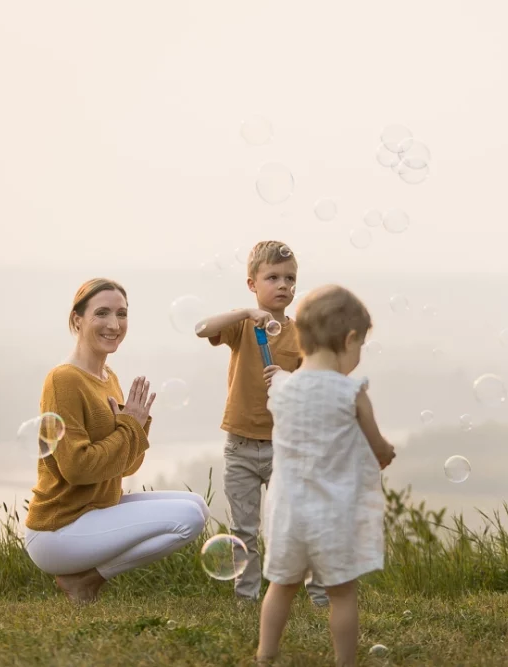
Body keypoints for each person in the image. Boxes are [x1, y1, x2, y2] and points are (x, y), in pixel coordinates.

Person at [24, 278, 210, 604]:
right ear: (77, 320)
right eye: (102, 313)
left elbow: (126, 465)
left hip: (96, 511)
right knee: (189, 520)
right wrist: (128, 426)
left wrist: (136, 425)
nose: (114, 324)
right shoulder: (64, 380)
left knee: (197, 505)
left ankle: (84, 579)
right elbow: (77, 469)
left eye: (122, 314)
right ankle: (86, 581)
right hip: (58, 529)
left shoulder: (110, 379)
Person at [255, 284, 396, 666]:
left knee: (280, 587)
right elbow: (377, 445)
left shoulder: (281, 389)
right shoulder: (351, 392)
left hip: (287, 514)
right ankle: (344, 662)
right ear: (349, 339)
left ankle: (265, 655)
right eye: (360, 345)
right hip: (333, 514)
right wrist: (385, 453)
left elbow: (285, 407)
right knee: (342, 593)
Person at [196, 241, 329, 606]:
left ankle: (319, 595)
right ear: (252, 283)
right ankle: (247, 598)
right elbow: (201, 328)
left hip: (283, 446)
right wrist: (245, 313)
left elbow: (312, 388)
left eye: (290, 278)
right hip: (239, 446)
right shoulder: (242, 327)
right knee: (243, 529)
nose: (283, 285)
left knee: (297, 523)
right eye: (272, 277)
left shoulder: (301, 333)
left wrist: (288, 377)